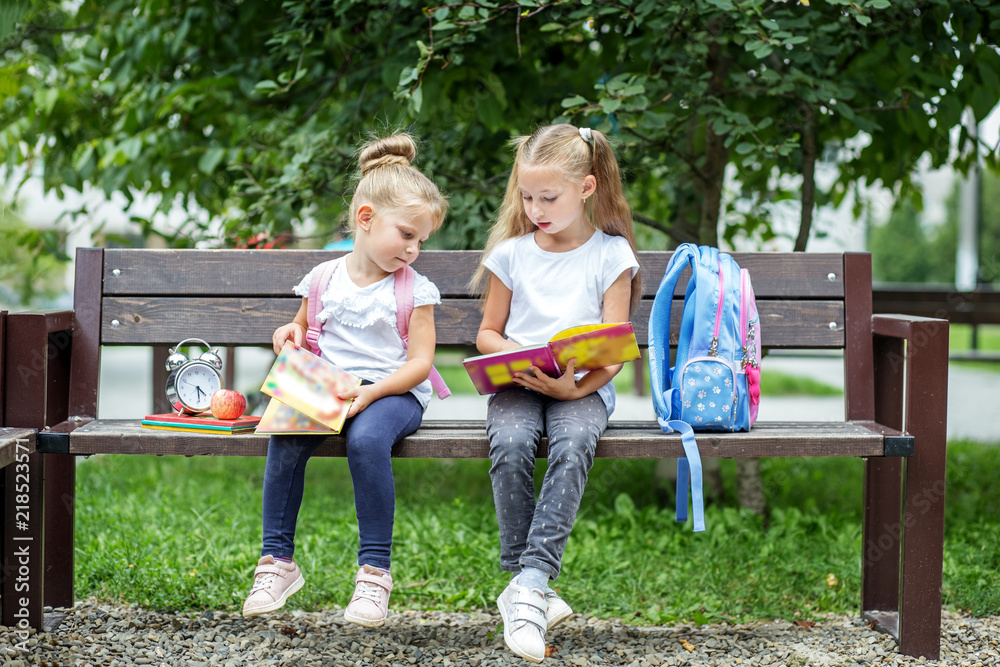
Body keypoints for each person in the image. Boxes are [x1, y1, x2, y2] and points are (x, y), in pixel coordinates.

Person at [241, 133, 448, 627]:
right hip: (329, 385)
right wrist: (288, 334)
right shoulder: (323, 279)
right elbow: (301, 328)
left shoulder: (414, 289)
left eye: (421, 241)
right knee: (285, 437)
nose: (414, 249)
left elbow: (420, 364)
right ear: (366, 217)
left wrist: (373, 392)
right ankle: (277, 561)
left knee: (367, 440)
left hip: (392, 391)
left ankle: (374, 573)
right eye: (407, 235)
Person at [471, 124, 641, 662]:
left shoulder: (611, 254)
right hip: (521, 382)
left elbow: (613, 349)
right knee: (511, 442)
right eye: (527, 197)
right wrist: (516, 352)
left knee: (571, 444)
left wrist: (574, 389)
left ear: (586, 188)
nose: (535, 208)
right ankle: (530, 586)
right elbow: (487, 332)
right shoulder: (512, 253)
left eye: (548, 197)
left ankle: (530, 581)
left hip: (583, 387)